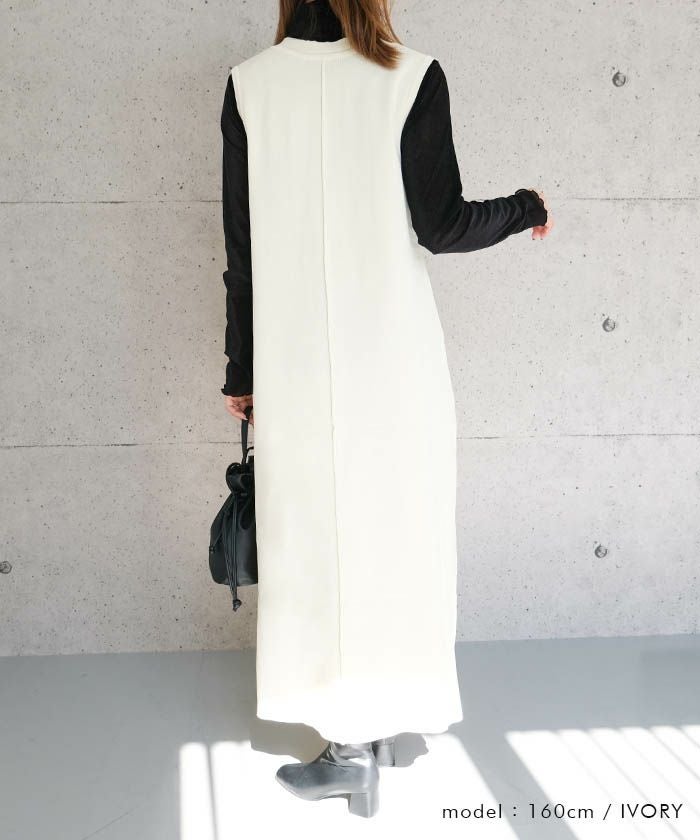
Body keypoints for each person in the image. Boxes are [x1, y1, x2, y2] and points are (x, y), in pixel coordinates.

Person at [218, 0, 552, 818]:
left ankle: (347, 744)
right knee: (395, 536)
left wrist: (242, 368)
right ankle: (375, 727)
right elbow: (443, 226)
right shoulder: (411, 76)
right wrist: (526, 206)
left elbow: (242, 248)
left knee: (313, 545)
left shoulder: (250, 85)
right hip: (395, 362)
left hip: (295, 365)